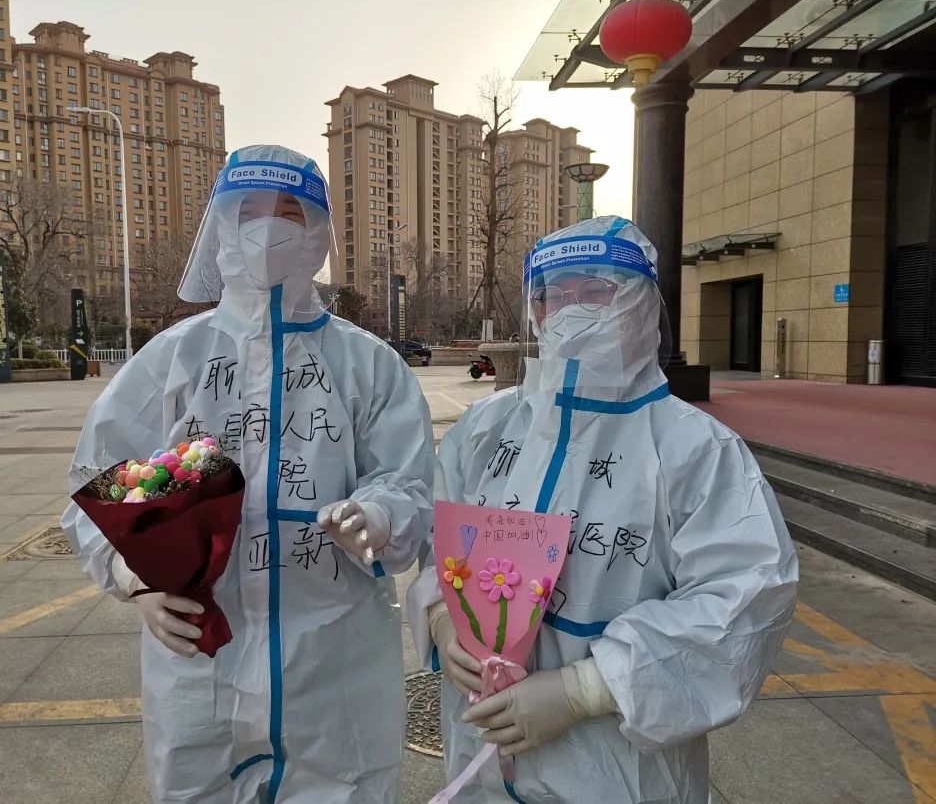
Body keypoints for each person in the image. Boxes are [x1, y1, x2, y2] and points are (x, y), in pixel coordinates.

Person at [62, 144, 434, 803]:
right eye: (249, 211)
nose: (268, 229)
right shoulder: (175, 359)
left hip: (336, 655)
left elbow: (410, 481)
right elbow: (102, 477)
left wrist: (379, 515)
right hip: (201, 656)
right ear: (221, 228)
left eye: (290, 213)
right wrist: (132, 576)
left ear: (318, 232)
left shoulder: (368, 364)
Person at [408, 216, 798, 803]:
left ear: (643, 304)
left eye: (595, 291)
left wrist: (585, 690)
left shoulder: (694, 448)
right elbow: (440, 543)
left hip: (616, 769)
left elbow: (746, 598)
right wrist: (443, 616)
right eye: (552, 296)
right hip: (481, 751)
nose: (570, 311)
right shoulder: (488, 428)